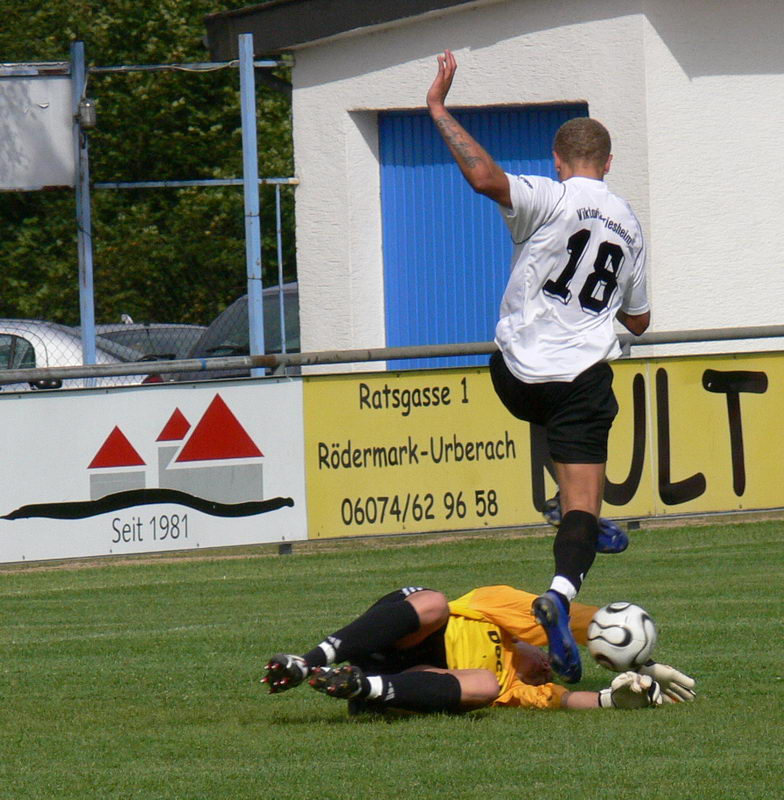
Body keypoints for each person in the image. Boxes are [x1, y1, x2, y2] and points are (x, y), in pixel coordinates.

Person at [425, 50, 651, 684]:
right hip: (579, 380)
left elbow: (487, 178)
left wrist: (438, 108)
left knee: (551, 428)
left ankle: (573, 516)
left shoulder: (547, 198)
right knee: (585, 502)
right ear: (608, 164)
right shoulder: (630, 225)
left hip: (514, 375)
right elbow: (637, 321)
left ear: (558, 159)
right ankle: (560, 585)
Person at [261, 585, 695, 715]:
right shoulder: (497, 612)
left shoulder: (516, 686)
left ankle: (361, 689)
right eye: (549, 663)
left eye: (547, 674)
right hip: (395, 632)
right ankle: (309, 662)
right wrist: (643, 659)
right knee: (433, 601)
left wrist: (617, 699)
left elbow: (571, 699)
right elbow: (574, 619)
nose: (548, 670)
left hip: (402, 685)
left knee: (484, 686)